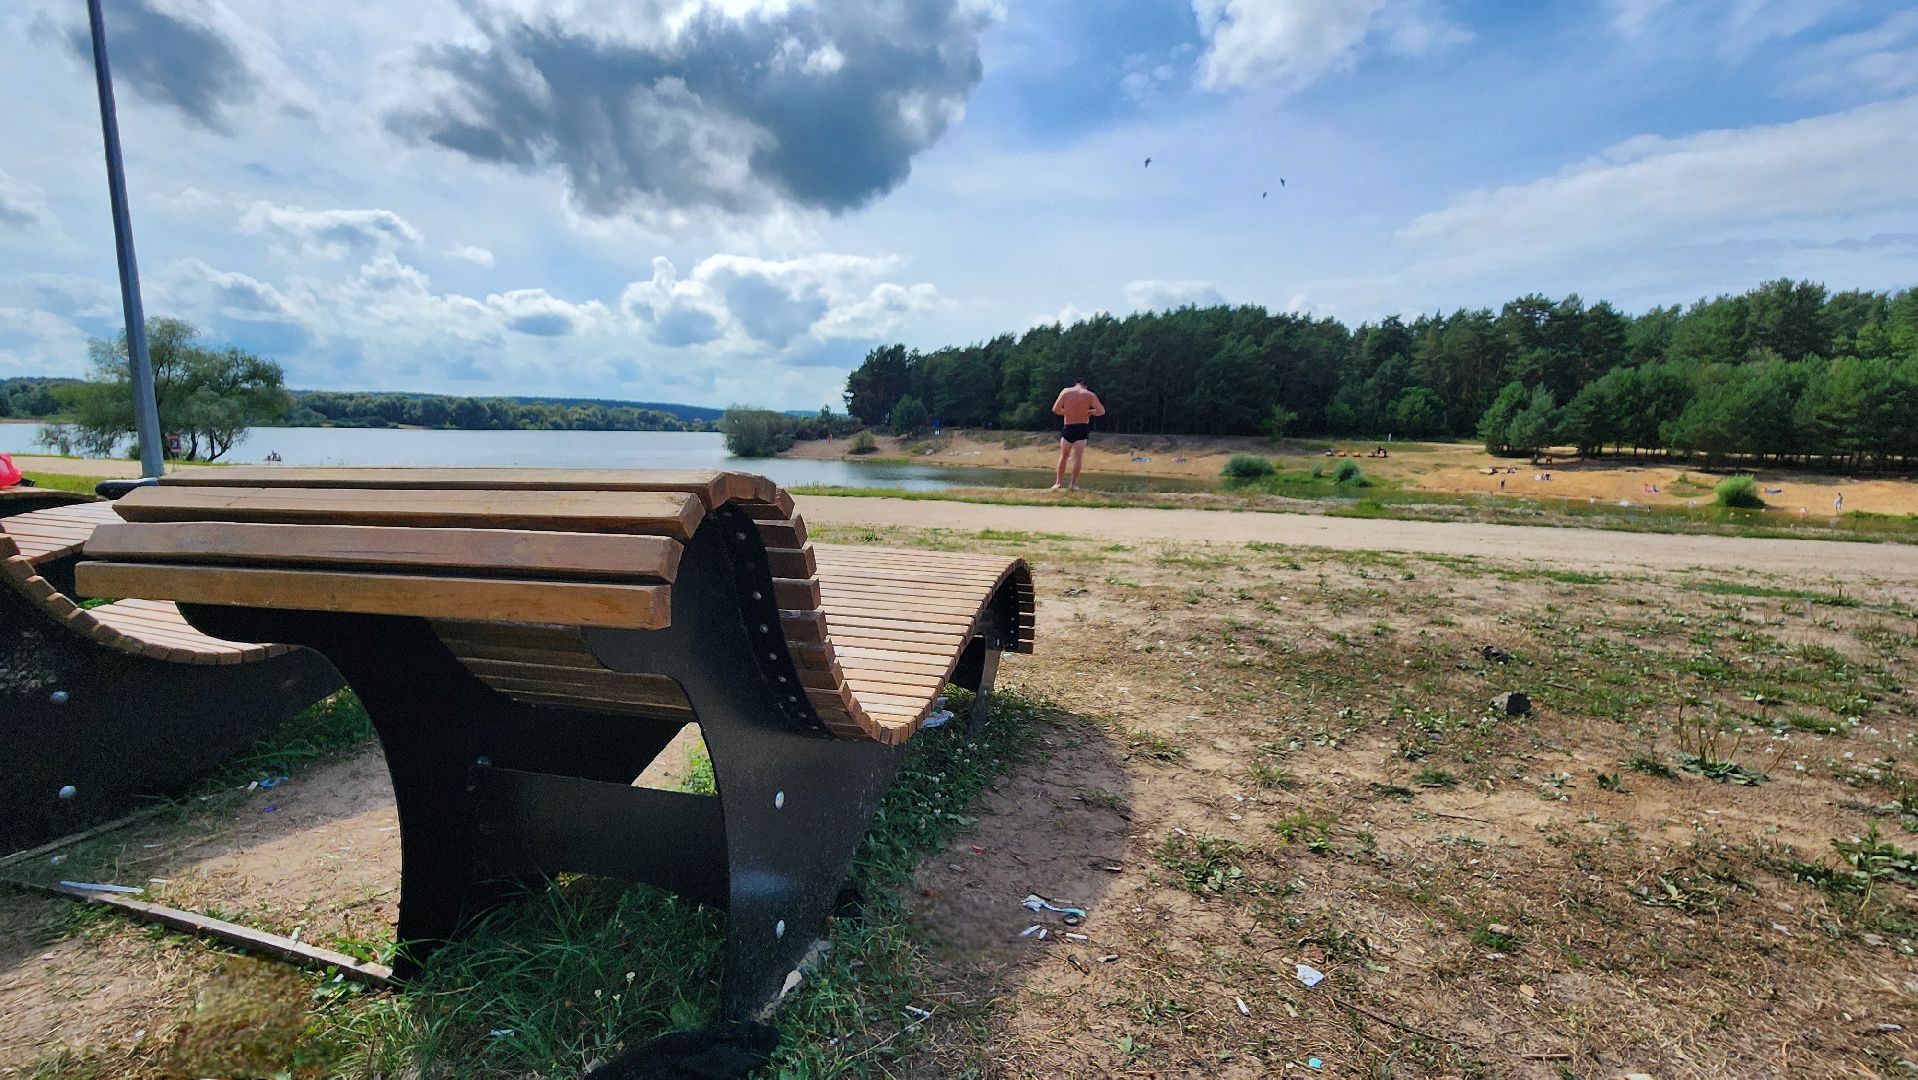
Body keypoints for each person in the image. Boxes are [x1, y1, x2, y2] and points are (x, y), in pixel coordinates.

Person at [1050, 377, 1105, 491]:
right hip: (1082, 426)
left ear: (1076, 384)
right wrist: (1090, 412)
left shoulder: (1066, 391)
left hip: (1069, 426)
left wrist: (1068, 411)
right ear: (1085, 385)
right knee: (1078, 457)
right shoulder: (1090, 395)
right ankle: (1073, 485)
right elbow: (1101, 411)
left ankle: (1058, 483)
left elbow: (1056, 409)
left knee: (1064, 456)